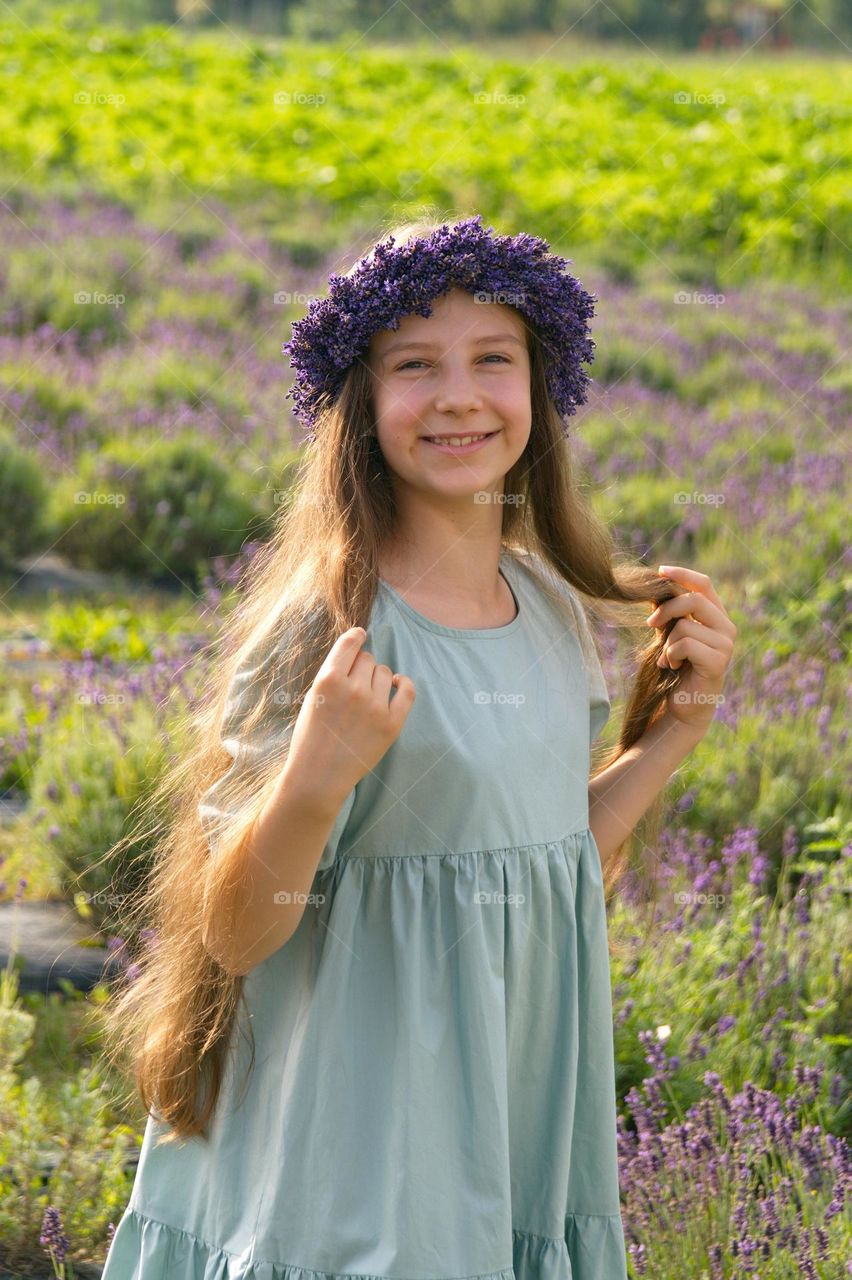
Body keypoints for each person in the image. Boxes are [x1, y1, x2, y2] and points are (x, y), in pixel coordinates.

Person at [101, 213, 735, 1280]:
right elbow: (239, 931)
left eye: (495, 358)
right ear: (360, 404)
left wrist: (673, 734)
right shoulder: (331, 627)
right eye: (414, 365)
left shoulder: (545, 607)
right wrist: (314, 773)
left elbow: (544, 853)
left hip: (510, 1124)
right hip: (358, 1152)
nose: (458, 395)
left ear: (541, 392)